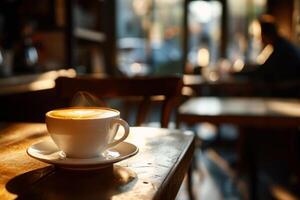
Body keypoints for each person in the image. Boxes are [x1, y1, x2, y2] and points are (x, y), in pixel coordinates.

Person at [234, 15, 300, 82]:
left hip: (289, 89)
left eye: (260, 35)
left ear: (266, 34)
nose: (259, 39)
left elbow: (264, 71)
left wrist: (237, 73)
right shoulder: (280, 44)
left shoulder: (281, 48)